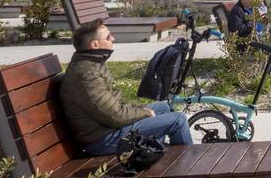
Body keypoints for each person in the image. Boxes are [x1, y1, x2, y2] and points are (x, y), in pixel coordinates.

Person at [60, 19, 193, 155]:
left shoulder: (91, 63)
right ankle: (186, 167)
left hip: (109, 129)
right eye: (108, 37)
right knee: (178, 120)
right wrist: (144, 113)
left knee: (163, 107)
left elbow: (115, 107)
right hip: (103, 139)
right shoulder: (86, 74)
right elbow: (115, 116)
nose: (113, 38)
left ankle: (159, 156)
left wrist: (141, 109)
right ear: (95, 44)